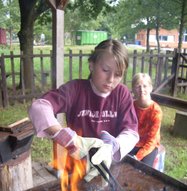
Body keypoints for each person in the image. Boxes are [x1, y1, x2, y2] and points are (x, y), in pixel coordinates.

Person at [28, 39, 139, 181]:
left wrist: (113, 146)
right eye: (105, 70)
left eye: (118, 74)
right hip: (78, 166)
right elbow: (39, 106)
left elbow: (131, 132)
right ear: (91, 65)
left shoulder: (121, 93)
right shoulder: (75, 89)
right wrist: (64, 136)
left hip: (109, 166)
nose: (111, 79)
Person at [129, 73, 162, 167]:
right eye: (138, 86)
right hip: (132, 142)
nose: (141, 89)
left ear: (151, 88)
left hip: (149, 146)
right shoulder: (130, 106)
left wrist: (137, 157)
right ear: (133, 89)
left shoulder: (156, 111)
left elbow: (152, 140)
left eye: (145, 86)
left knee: (143, 172)